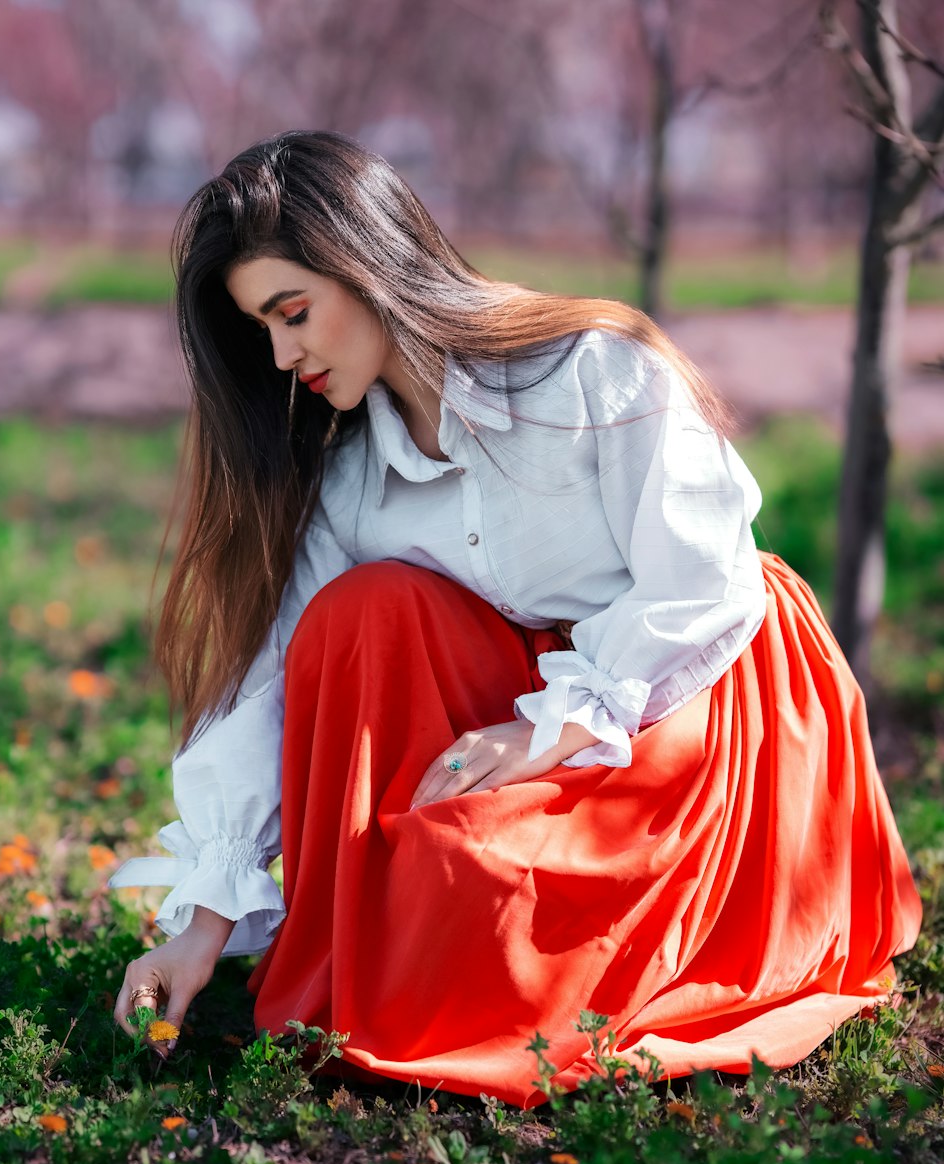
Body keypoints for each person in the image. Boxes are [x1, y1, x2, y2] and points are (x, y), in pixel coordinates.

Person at [109, 130, 921, 1106]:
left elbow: (701, 588)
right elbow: (277, 676)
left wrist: (545, 733)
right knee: (355, 616)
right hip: (539, 700)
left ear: (365, 264)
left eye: (293, 313)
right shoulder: (354, 475)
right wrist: (200, 923)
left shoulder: (587, 368)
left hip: (699, 686)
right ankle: (440, 944)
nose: (284, 356)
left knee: (474, 881)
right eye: (262, 333)